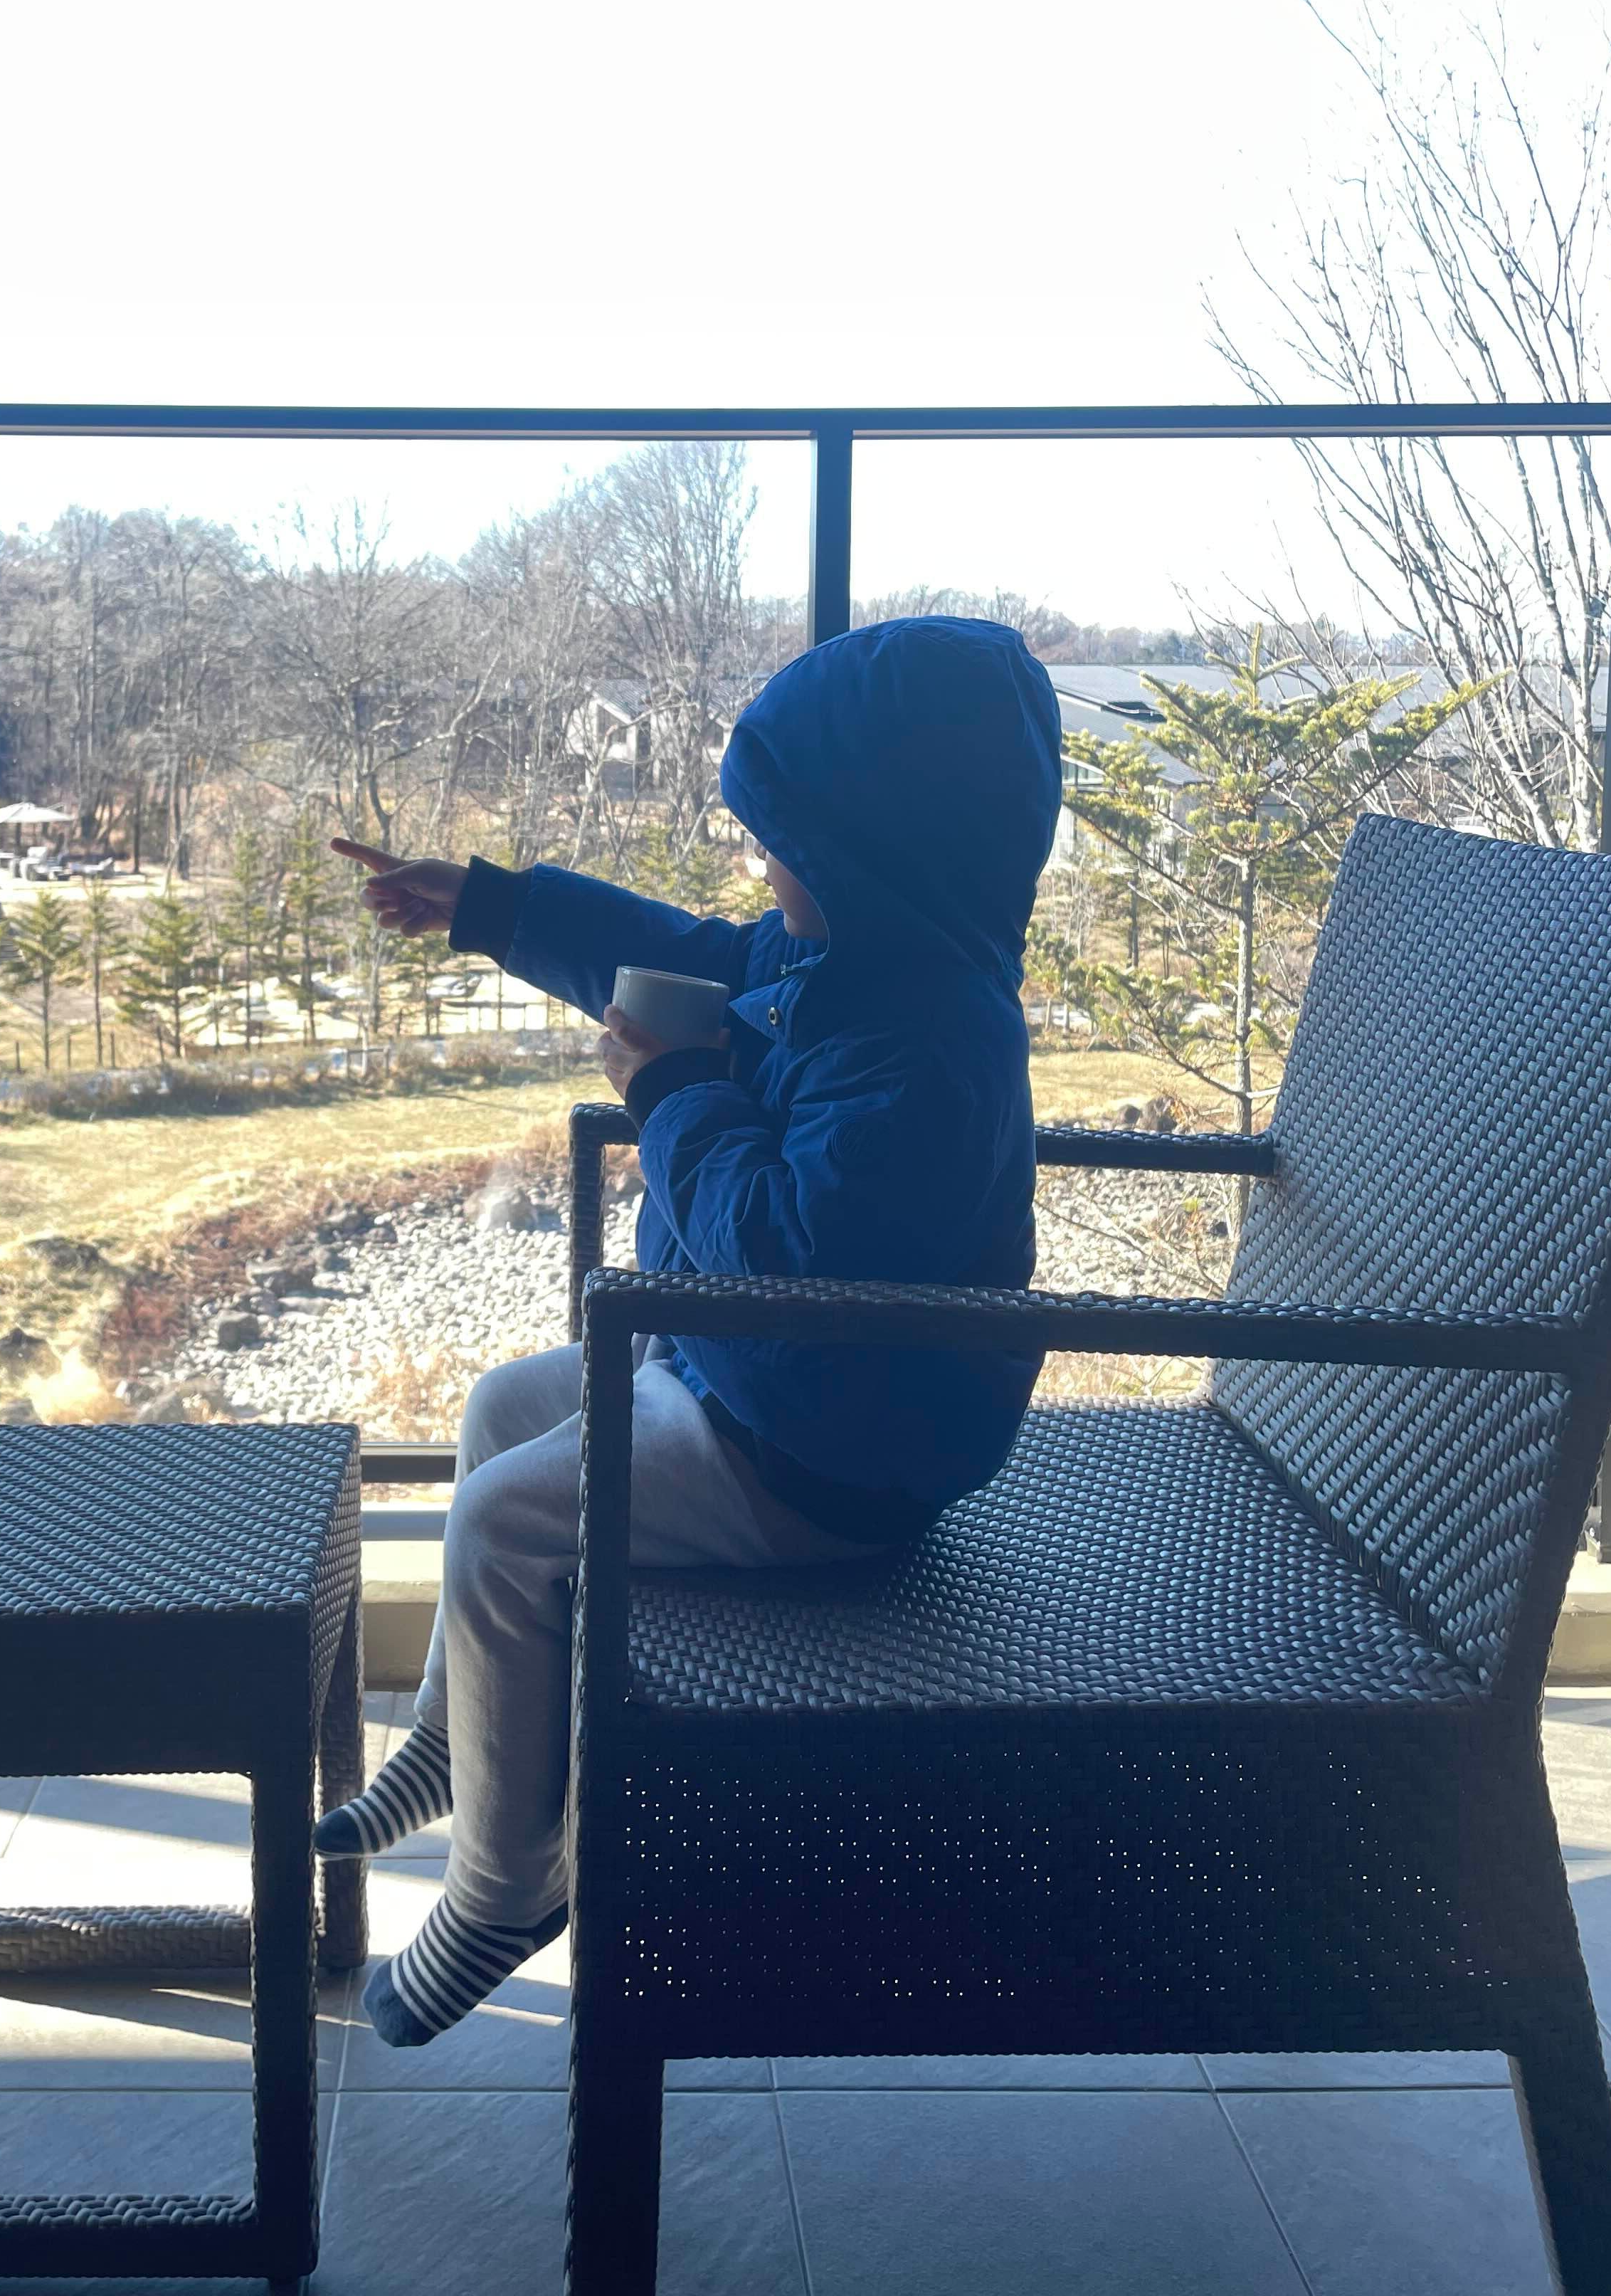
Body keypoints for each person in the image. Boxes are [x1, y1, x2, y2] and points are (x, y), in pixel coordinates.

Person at [319, 616, 1064, 2045]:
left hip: (826, 1461)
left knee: (502, 1526)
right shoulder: (850, 962)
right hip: (753, 1382)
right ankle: (459, 1749)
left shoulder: (928, 1048)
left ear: (875, 854)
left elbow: (792, 1256)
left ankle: (505, 1887)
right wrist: (492, 905)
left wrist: (672, 1096)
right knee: (500, 1409)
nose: (761, 866)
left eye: (783, 842)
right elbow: (677, 951)